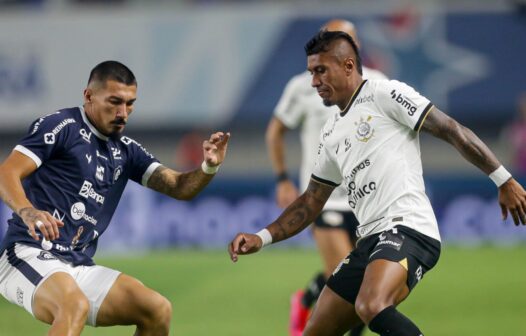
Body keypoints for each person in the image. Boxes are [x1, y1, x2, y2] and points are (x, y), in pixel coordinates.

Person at [229, 31, 526, 336]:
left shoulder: (385, 94)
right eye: (311, 73)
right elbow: (311, 201)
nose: (314, 82)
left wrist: (503, 179)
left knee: (371, 305)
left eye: (320, 71)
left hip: (408, 227)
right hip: (369, 239)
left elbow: (450, 129)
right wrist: (262, 237)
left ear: (347, 66)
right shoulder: (331, 133)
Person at [0, 60, 230, 335]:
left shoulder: (126, 151)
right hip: (28, 253)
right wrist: (28, 211)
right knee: (73, 306)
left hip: (76, 264)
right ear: (89, 96)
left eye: (130, 103)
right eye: (114, 102)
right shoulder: (62, 126)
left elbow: (179, 186)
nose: (123, 112)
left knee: (156, 309)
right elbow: (6, 172)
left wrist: (209, 167)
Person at [265, 19, 386, 336]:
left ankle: (306, 297)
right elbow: (275, 131)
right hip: (324, 199)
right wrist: (282, 179)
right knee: (350, 286)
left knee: (357, 278)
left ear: (355, 47)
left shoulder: (377, 84)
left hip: (366, 200)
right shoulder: (302, 86)